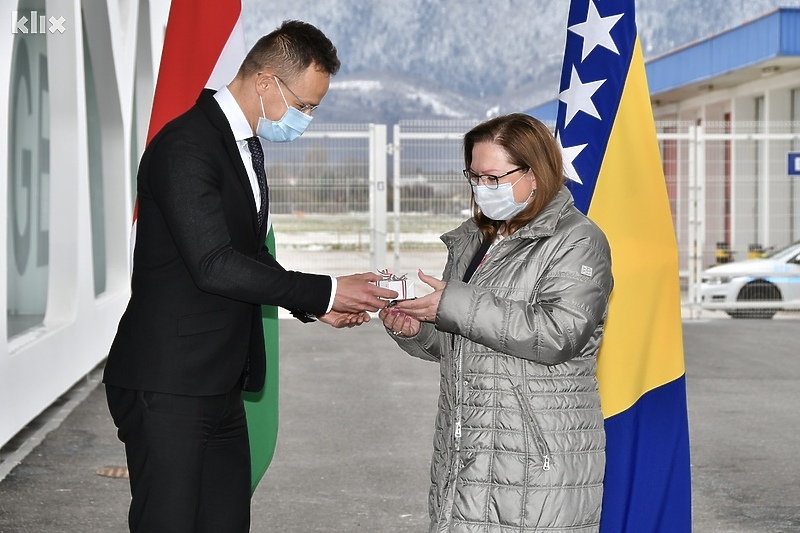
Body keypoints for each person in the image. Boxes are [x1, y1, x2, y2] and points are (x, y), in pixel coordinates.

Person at [103, 20, 397, 533]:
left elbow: (251, 255)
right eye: (304, 105)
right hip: (169, 384)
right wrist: (324, 289)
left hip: (218, 383)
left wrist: (319, 303)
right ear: (265, 82)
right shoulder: (186, 147)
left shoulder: (244, 145)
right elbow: (213, 263)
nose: (305, 118)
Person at [380, 113, 614, 532]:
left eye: (494, 178)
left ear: (535, 172)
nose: (482, 189)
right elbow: (464, 338)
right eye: (474, 178)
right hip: (466, 450)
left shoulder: (578, 240)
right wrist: (418, 329)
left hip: (534, 458)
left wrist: (452, 303)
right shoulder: (475, 239)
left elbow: (558, 334)